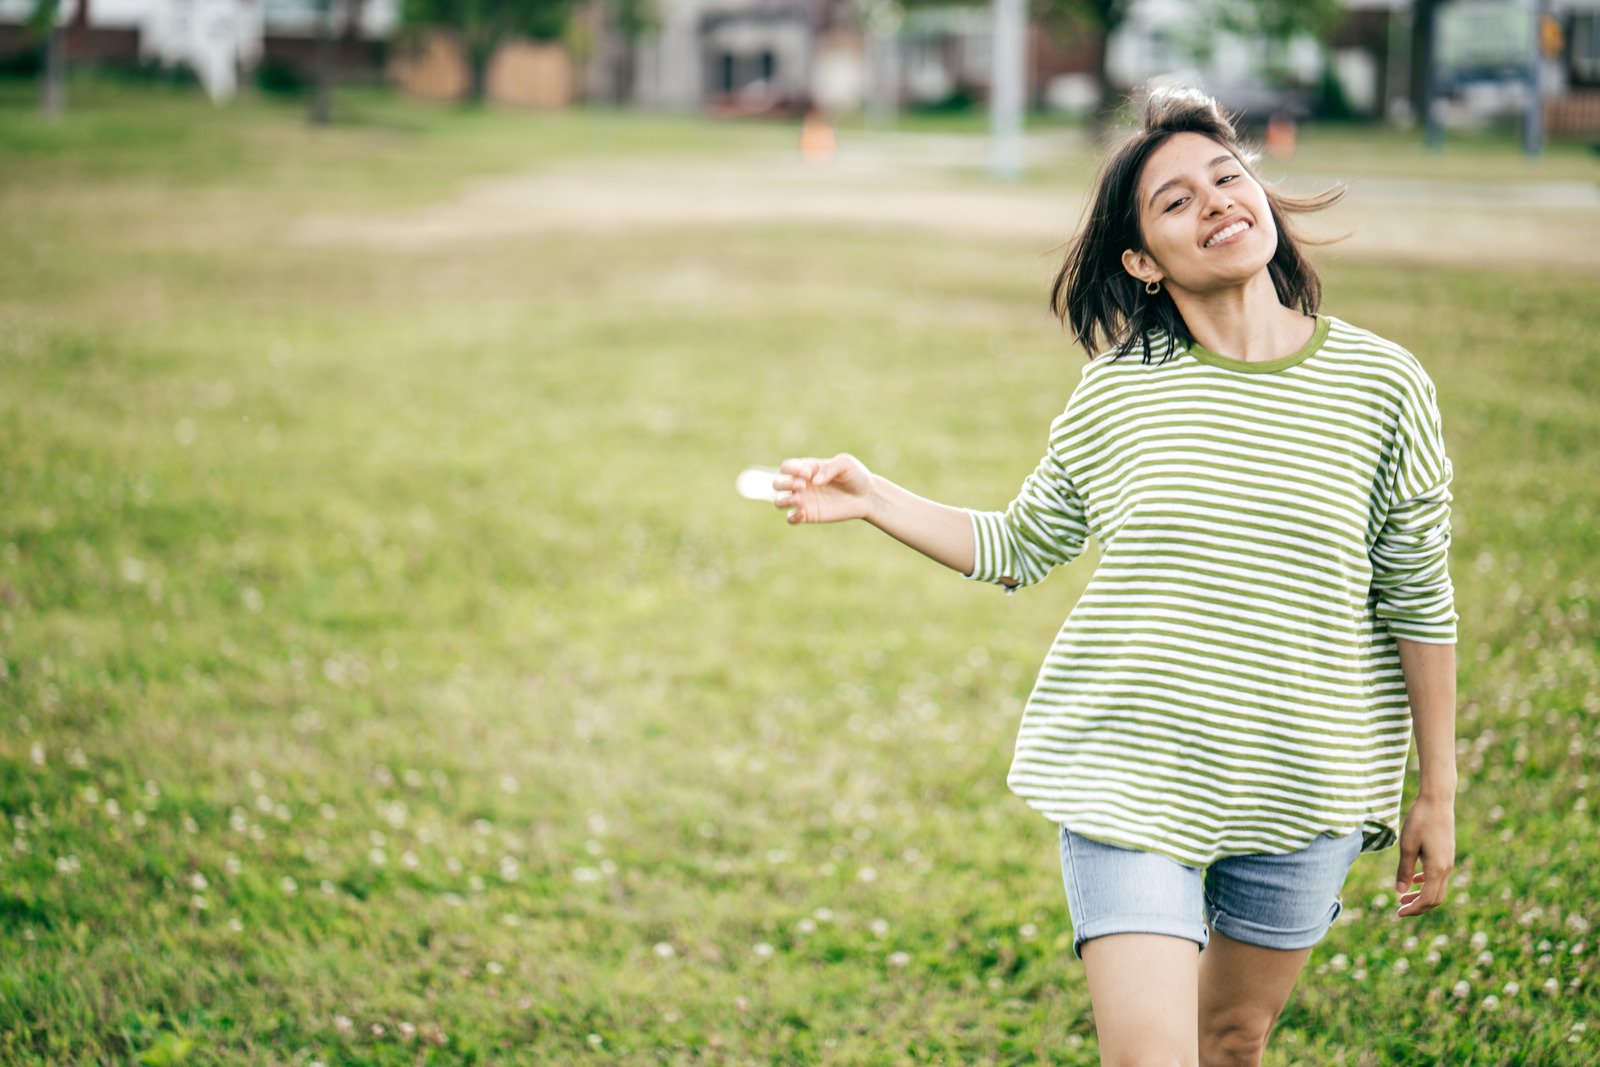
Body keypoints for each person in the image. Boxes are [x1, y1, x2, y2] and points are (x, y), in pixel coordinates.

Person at [770, 85, 1458, 1067]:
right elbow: (1018, 543)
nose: (1217, 201)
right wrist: (875, 495)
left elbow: (1416, 593)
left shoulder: (1382, 384)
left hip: (1307, 775)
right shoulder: (1117, 393)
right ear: (1139, 259)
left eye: (1227, 177)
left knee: (1230, 1037)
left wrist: (1435, 787)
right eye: (1175, 201)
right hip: (1132, 770)